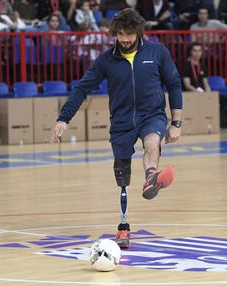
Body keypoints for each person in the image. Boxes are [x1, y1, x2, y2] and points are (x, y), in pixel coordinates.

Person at [51, 8, 182, 248]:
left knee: (152, 142)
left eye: (129, 34)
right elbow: (82, 88)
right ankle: (123, 227)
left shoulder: (157, 52)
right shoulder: (106, 59)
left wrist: (175, 123)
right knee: (122, 177)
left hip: (151, 114)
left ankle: (151, 177)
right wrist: (63, 119)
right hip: (121, 122)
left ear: (138, 32)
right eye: (120, 34)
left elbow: (174, 85)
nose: (125, 39)